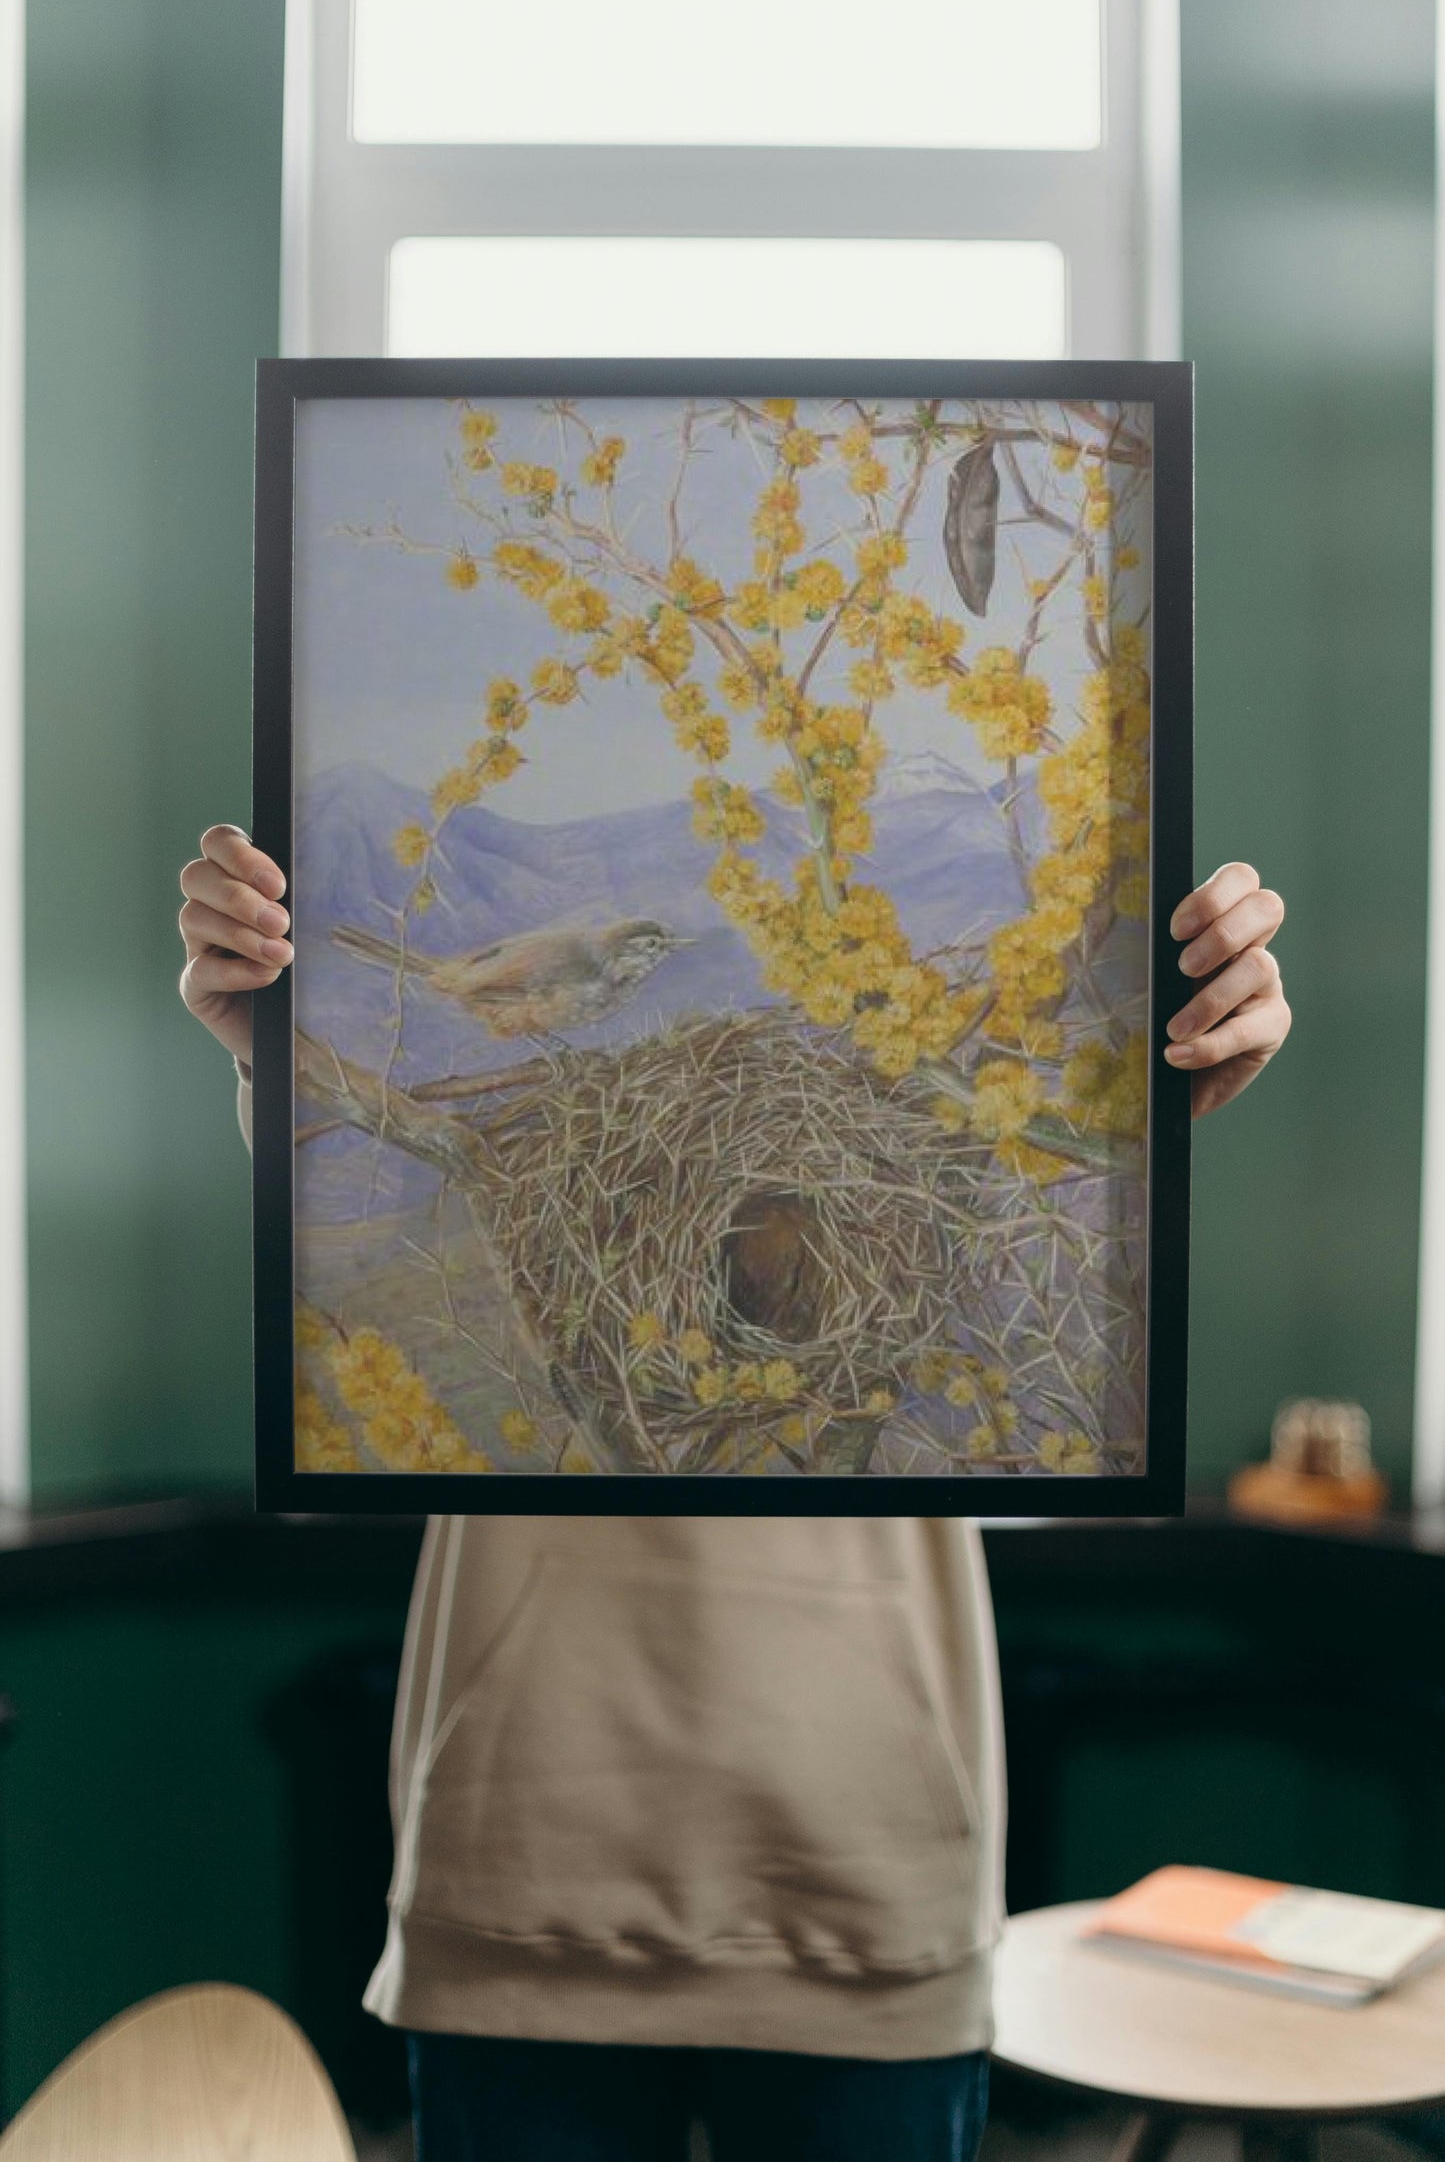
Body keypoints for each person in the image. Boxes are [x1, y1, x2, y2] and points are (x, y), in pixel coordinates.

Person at [179, 829, 1291, 2162]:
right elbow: (366, 1246)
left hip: (870, 1863)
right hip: (530, 1852)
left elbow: (1019, 1264)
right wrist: (272, 1036)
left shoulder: (896, 1134)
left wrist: (1148, 1098)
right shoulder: (543, 1162)